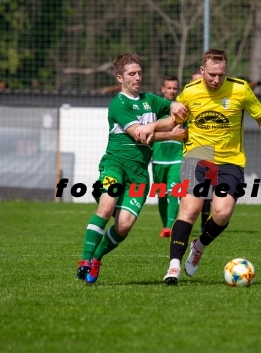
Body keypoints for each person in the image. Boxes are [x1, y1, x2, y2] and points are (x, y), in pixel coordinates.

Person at [163, 49, 261, 285]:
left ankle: (198, 246)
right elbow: (174, 121)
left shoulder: (240, 89)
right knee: (189, 210)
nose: (216, 79)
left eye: (220, 74)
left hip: (230, 159)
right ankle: (173, 267)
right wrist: (163, 116)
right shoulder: (189, 92)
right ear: (202, 71)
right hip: (197, 155)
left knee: (222, 213)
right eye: (211, 74)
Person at [76, 53, 187, 285]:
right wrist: (171, 134)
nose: (137, 77)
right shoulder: (118, 103)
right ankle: (85, 260)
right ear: (120, 78)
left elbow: (171, 110)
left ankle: (97, 258)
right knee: (106, 207)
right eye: (131, 74)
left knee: (124, 225)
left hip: (139, 173)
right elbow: (140, 134)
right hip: (114, 165)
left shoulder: (150, 100)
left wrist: (175, 105)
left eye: (139, 73)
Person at [152, 75, 182, 238]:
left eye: (174, 88)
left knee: (174, 192)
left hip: (177, 158)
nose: (171, 91)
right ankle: (165, 225)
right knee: (161, 194)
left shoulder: (183, 108)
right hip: (157, 159)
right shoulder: (155, 108)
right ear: (163, 89)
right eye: (169, 88)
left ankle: (170, 227)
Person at [189, 69, 211, 233]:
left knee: (207, 194)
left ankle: (204, 224)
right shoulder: (185, 101)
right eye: (195, 80)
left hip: (210, 152)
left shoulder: (210, 101)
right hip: (189, 154)